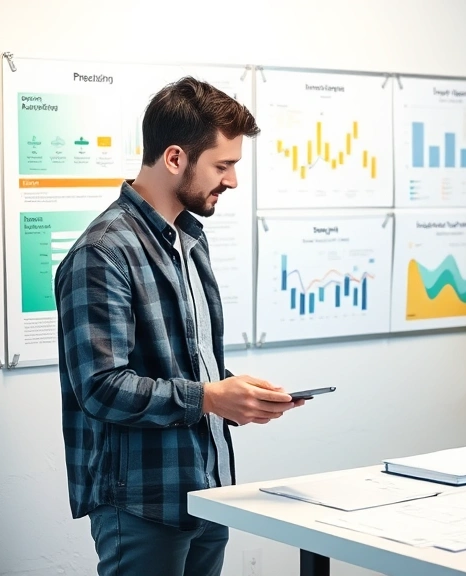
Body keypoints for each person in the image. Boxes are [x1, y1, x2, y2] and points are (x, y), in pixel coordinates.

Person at [54, 76, 304, 576]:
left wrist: (236, 394)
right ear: (174, 158)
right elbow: (100, 388)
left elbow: (184, 365)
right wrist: (209, 397)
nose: (232, 181)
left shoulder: (189, 239)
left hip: (209, 490)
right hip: (142, 502)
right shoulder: (102, 253)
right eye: (222, 165)